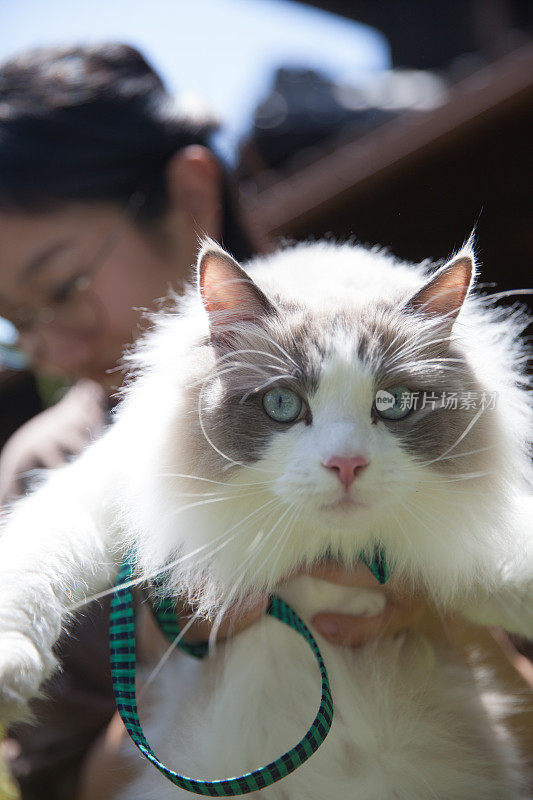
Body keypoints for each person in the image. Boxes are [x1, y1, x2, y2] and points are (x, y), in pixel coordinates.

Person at [0, 43, 530, 800]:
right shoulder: (50, 454)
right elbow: (56, 777)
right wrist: (169, 644)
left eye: (61, 285)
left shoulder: (373, 318)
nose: (50, 342)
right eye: (16, 321)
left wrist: (449, 607)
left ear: (188, 193)